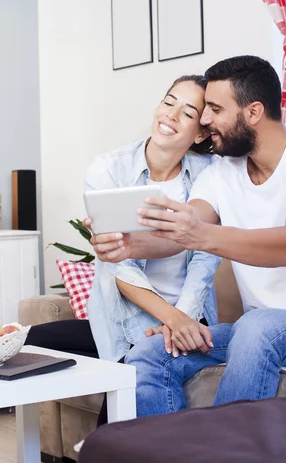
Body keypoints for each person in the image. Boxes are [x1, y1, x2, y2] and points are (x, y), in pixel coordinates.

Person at [90, 55, 286, 418]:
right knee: (148, 355)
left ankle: (223, 450)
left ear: (254, 112)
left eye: (214, 109)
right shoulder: (221, 174)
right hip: (257, 333)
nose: (205, 119)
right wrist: (127, 245)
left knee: (257, 326)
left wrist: (202, 234)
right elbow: (183, 232)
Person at [26, 75, 221, 367]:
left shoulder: (210, 174)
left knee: (141, 372)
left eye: (188, 112)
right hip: (126, 317)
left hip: (190, 313)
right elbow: (119, 263)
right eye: (169, 102)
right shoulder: (108, 169)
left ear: (200, 134)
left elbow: (205, 259)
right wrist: (171, 320)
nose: (172, 114)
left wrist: (183, 318)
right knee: (27, 340)